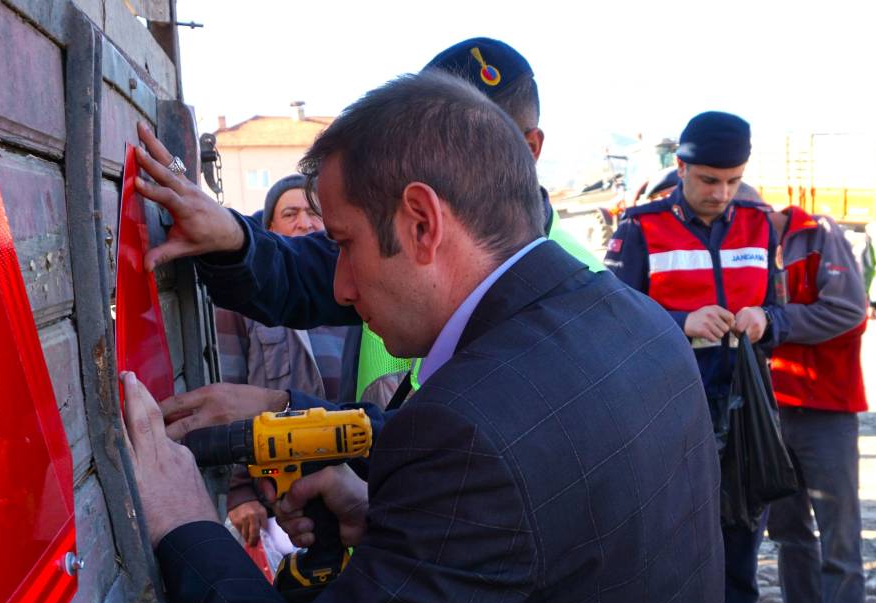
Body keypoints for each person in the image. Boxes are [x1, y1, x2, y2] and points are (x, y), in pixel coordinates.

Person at [122, 71, 771, 603]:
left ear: (423, 223)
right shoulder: (635, 321)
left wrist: (184, 524)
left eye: (342, 243)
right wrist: (404, 524)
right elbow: (566, 538)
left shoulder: (465, 431)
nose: (338, 284)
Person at [132, 38, 607, 438]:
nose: (346, 286)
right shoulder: (382, 239)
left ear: (528, 149)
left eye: (472, 144)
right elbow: (297, 274)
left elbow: (461, 452)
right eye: (419, 144)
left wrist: (284, 413)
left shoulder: (584, 301)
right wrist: (233, 237)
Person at [604, 111, 788, 603]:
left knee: (740, 554)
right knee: (670, 552)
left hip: (745, 414)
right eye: (709, 180)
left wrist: (765, 321)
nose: (722, 193)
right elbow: (609, 319)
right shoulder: (639, 227)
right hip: (667, 413)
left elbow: (781, 312)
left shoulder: (760, 224)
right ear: (680, 168)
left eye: (733, 180)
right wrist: (680, 321)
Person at [756, 205, 870, 603]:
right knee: (788, 531)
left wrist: (775, 323)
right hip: (772, 410)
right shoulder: (744, 244)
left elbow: (848, 311)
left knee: (840, 546)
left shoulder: (819, 236)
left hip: (826, 412)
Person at [216, 175, 354, 573]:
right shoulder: (245, 301)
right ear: (270, 229)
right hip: (277, 490)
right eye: (289, 213)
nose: (303, 222)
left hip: (353, 473)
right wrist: (239, 492)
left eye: (314, 212)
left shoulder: (354, 290)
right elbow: (228, 390)